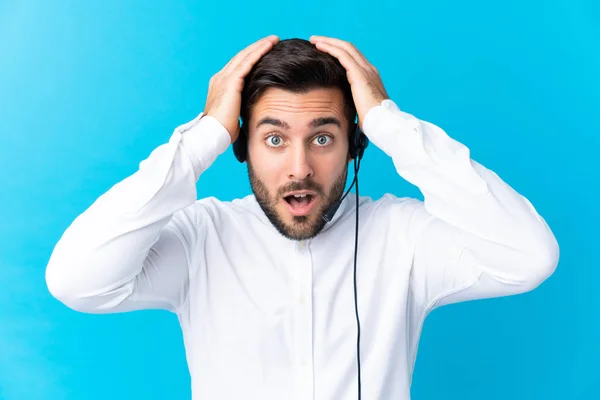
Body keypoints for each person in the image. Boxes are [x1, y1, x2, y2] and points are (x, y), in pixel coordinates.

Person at [45, 35, 560, 400]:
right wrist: (202, 136)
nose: (299, 168)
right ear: (241, 147)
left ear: (354, 147)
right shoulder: (200, 238)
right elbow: (76, 281)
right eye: (274, 139)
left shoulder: (403, 236)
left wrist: (388, 121)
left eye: (322, 138)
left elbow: (530, 258)